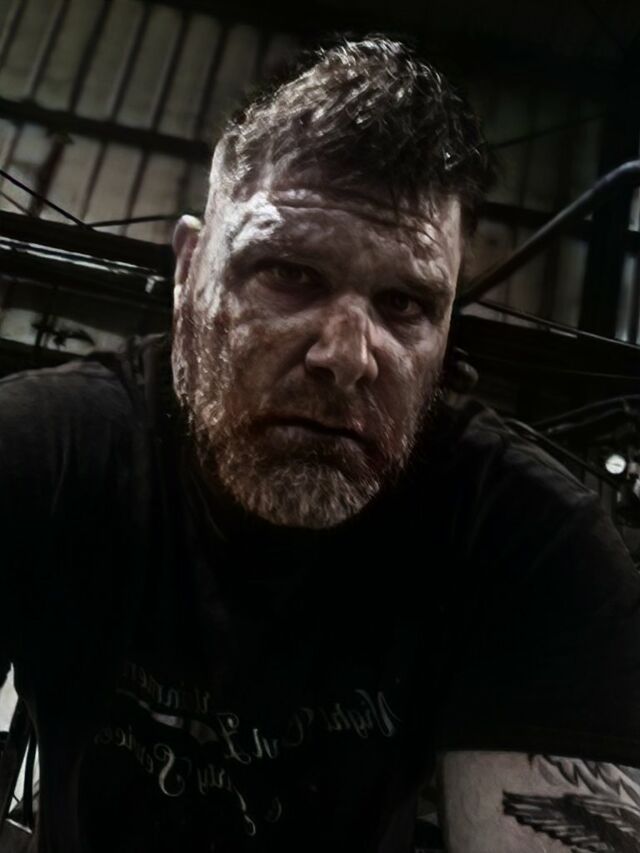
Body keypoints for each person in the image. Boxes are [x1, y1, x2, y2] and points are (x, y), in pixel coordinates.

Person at [0, 35, 639, 853]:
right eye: (291, 273)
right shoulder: (46, 454)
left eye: (405, 304)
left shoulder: (529, 541)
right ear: (190, 271)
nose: (347, 355)